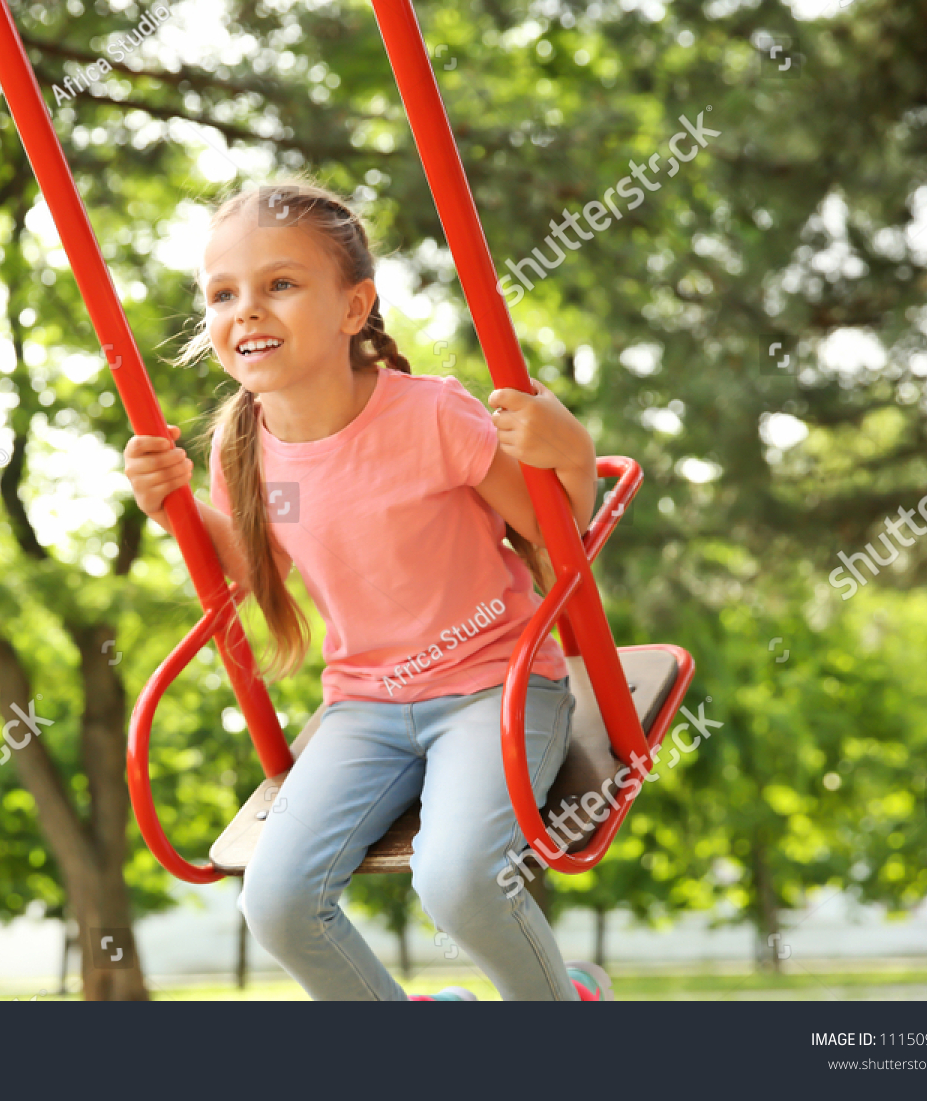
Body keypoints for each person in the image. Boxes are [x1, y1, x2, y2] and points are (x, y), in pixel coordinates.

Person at [124, 178, 610, 1001]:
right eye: (222, 293)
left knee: (458, 884)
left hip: (496, 687)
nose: (246, 310)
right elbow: (249, 569)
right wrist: (174, 510)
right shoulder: (245, 450)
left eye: (280, 284)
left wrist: (570, 448)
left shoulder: (431, 417)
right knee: (274, 902)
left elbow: (551, 533)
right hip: (364, 708)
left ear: (354, 308)